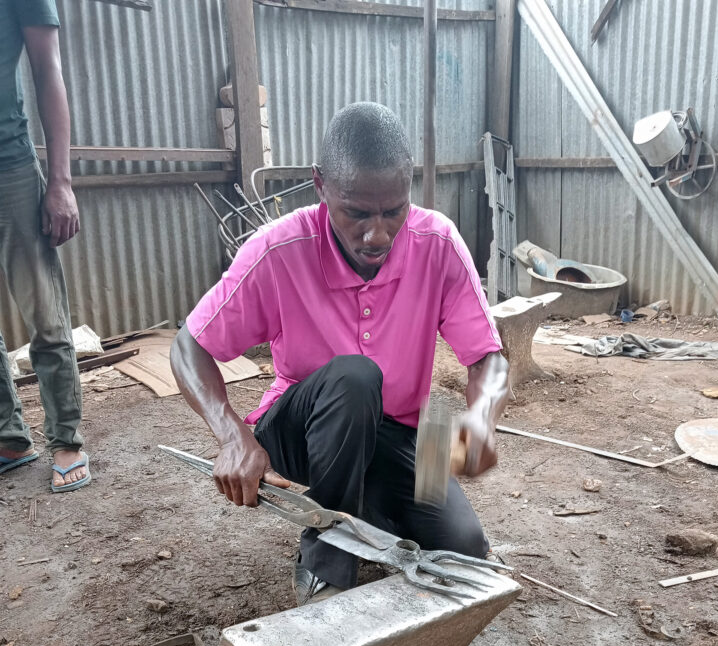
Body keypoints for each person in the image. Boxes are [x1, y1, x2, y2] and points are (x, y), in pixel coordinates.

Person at [172, 102, 508, 604]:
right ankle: (325, 564)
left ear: (408, 187)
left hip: (403, 427)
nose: (377, 234)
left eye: (394, 211)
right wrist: (232, 436)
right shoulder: (277, 248)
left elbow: (489, 358)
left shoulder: (437, 240)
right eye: (357, 212)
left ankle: (367, 514)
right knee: (355, 378)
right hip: (303, 428)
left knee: (463, 549)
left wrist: (480, 418)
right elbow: (188, 347)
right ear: (320, 186)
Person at [0, 0, 89, 492]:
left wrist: (60, 181)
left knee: (45, 315)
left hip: (8, 165)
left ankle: (66, 441)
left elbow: (47, 66)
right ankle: (10, 439)